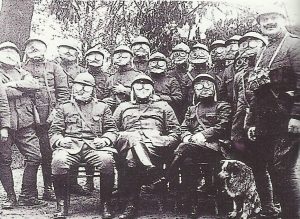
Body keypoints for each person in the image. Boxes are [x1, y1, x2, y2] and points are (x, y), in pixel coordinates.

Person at [246, 7, 300, 219]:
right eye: (264, 19)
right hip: (266, 121)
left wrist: (297, 115)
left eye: (273, 18)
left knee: (284, 170)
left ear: (283, 19)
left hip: (287, 118)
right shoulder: (262, 51)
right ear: (259, 24)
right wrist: (252, 122)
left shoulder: (294, 45)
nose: (269, 22)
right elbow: (257, 91)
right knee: (274, 169)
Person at [50, 72, 117, 219]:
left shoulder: (102, 107)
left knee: (106, 161)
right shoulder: (64, 107)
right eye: (79, 85)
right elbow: (54, 131)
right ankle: (62, 205)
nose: (82, 89)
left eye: (87, 87)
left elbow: (112, 130)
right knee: (58, 161)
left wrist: (105, 140)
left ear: (93, 89)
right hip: (70, 146)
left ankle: (106, 203)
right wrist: (60, 141)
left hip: (94, 146)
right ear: (73, 88)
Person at [114, 75, 180, 219]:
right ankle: (153, 174)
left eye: (146, 87)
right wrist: (127, 135)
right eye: (138, 87)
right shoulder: (123, 106)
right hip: (126, 143)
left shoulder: (163, 106)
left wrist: (162, 140)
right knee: (132, 137)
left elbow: (176, 132)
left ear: (152, 90)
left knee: (132, 158)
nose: (142, 89)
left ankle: (131, 204)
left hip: (153, 147)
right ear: (132, 90)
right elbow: (112, 130)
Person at [231, 32, 281, 218]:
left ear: (263, 46)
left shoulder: (272, 69)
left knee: (276, 166)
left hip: (269, 125)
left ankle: (280, 203)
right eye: (243, 44)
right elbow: (238, 103)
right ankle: (263, 205)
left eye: (254, 43)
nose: (248, 47)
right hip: (244, 126)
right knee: (255, 166)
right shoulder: (238, 76)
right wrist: (237, 130)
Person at [167, 74, 231, 218]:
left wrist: (203, 135)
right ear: (194, 91)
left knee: (183, 148)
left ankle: (166, 177)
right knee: (187, 161)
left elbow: (223, 126)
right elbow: (183, 128)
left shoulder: (223, 106)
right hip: (193, 148)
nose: (203, 89)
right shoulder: (191, 109)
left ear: (214, 88)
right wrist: (187, 136)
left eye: (207, 85)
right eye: (199, 87)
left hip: (216, 147)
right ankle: (192, 203)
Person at [22, 38, 71, 200]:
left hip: (50, 118)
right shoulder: (21, 69)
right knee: (33, 154)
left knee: (48, 152)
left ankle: (48, 188)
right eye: (31, 47)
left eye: (39, 47)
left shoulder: (55, 68)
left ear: (45, 49)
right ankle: (29, 192)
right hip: (28, 117)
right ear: (26, 50)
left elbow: (63, 94)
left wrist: (56, 113)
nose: (35, 49)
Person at [0, 42, 46, 207]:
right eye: (5, 51)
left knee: (35, 156)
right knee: (3, 160)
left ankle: (27, 195)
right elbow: (3, 93)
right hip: (4, 124)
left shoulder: (23, 72)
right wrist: (21, 89)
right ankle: (10, 196)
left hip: (26, 123)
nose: (9, 54)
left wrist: (12, 85)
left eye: (13, 51)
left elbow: (35, 85)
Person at [104, 45, 144, 111]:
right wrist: (105, 101)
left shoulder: (138, 75)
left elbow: (145, 94)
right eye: (118, 56)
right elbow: (104, 96)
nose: (121, 58)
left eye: (124, 56)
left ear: (130, 58)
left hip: (133, 112)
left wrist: (124, 90)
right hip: (113, 113)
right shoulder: (111, 78)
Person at [168, 42, 191, 122]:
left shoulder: (192, 72)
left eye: (182, 54)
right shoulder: (169, 74)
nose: (178, 56)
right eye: (176, 54)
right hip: (175, 108)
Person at [219, 35, 241, 105]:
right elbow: (222, 91)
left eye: (234, 47)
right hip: (232, 105)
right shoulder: (228, 70)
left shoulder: (251, 66)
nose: (231, 50)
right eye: (229, 47)